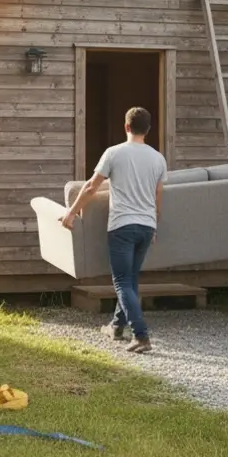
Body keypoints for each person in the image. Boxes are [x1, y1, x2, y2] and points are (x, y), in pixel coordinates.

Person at [62, 107, 167, 354]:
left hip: (122, 226)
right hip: (146, 226)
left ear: (126, 127)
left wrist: (71, 212)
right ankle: (117, 326)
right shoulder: (158, 158)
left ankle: (141, 335)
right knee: (131, 280)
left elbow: (90, 187)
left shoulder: (114, 153)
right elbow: (158, 196)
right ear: (148, 130)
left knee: (121, 282)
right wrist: (154, 225)